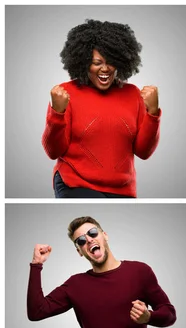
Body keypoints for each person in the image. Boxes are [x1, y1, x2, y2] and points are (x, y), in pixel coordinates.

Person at [27, 216, 176, 328]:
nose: (88, 239)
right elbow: (36, 311)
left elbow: (169, 313)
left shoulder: (140, 272)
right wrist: (36, 265)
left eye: (92, 233)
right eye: (81, 240)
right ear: (80, 252)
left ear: (104, 236)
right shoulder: (75, 284)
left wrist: (149, 317)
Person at [43, 19, 161, 198]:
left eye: (111, 62)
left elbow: (143, 152)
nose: (104, 69)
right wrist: (57, 113)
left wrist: (153, 113)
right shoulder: (66, 93)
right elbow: (53, 151)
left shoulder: (133, 94)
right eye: (97, 63)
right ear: (83, 62)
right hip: (75, 183)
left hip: (123, 189)